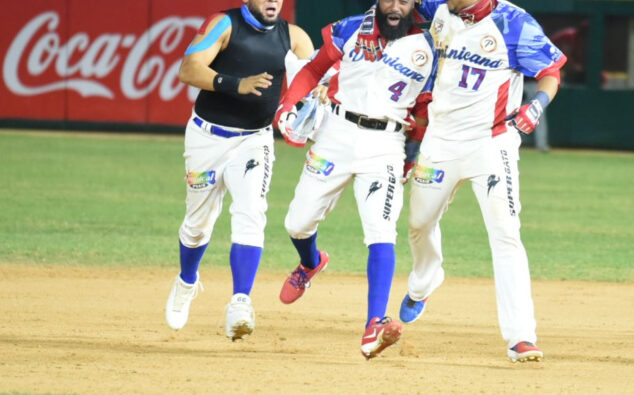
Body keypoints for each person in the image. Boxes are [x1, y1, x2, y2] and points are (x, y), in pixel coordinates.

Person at [398, 0, 566, 363]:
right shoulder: (439, 8)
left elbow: (551, 70)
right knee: (419, 224)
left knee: (506, 232)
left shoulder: (512, 23)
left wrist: (536, 104)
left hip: (492, 140)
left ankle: (521, 336)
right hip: (439, 141)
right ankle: (425, 281)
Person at [273, 0, 436, 359]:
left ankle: (374, 324)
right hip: (336, 133)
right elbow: (314, 69)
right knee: (297, 223)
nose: (395, 6)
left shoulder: (429, 47)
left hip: (386, 143)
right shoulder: (351, 28)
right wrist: (287, 104)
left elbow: (424, 114)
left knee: (381, 231)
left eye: (404, 0)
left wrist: (412, 156)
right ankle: (310, 262)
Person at [164, 0, 314, 341]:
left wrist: (312, 100)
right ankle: (187, 280)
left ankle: (240, 302)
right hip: (207, 137)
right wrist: (236, 83)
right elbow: (188, 69)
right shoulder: (223, 24)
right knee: (197, 224)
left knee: (251, 213)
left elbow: (314, 77)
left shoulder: (294, 37)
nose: (273, 1)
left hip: (254, 140)